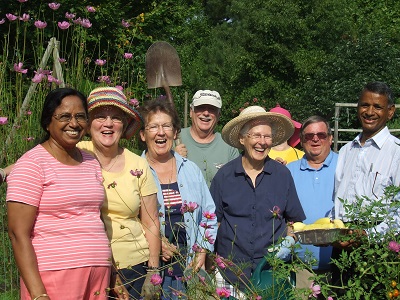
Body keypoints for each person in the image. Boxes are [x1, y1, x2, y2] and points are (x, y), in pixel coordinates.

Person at [6, 88, 112, 300]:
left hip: (99, 275)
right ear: (47, 122)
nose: (74, 123)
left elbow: (96, 220)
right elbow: (18, 234)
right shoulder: (31, 165)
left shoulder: (91, 161)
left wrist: (114, 275)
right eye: (64, 116)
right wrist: (38, 294)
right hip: (55, 277)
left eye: (80, 116)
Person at [210, 105, 306, 297]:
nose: (262, 142)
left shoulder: (282, 175)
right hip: (231, 274)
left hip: (272, 273)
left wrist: (290, 239)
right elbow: (212, 222)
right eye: (256, 136)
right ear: (242, 139)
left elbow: (295, 221)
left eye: (267, 136)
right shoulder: (224, 176)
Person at [78, 87, 161, 300]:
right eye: (100, 117)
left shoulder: (138, 164)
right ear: (88, 124)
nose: (108, 123)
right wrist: (3, 172)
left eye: (116, 118)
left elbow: (151, 221)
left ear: (123, 125)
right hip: (88, 263)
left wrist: (153, 271)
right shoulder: (77, 153)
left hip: (133, 267)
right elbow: (38, 160)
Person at [139, 98, 217, 299]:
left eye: (167, 126)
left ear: (175, 133)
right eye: (153, 127)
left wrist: (202, 250)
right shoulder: (135, 171)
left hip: (189, 267)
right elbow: (127, 219)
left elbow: (209, 214)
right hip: (150, 270)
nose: (161, 132)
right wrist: (157, 242)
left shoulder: (190, 169)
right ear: (142, 134)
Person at [332, 81, 400, 284]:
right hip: (343, 245)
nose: (370, 112)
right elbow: (337, 200)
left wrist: (368, 236)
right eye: (364, 105)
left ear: (390, 112)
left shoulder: (396, 152)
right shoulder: (346, 151)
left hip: (378, 250)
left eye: (377, 107)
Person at [286, 116, 338, 294]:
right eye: (309, 136)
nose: (315, 139)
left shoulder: (344, 166)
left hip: (339, 266)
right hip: (299, 268)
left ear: (330, 138)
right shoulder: (288, 171)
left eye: (321, 135)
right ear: (301, 140)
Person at [175, 90, 239, 186]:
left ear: (219, 115)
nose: (206, 113)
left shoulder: (228, 146)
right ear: (191, 112)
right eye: (200, 108)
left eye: (212, 109)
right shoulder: (174, 139)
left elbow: (237, 185)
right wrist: (171, 160)